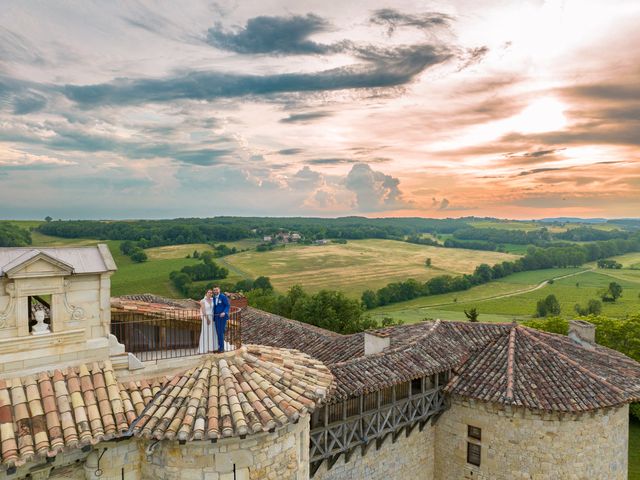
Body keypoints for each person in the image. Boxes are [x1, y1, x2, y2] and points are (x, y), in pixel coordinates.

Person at [198, 289, 218, 353]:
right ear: (206, 293)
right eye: (209, 292)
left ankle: (213, 347)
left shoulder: (213, 300)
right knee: (206, 332)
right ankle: (205, 348)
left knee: (212, 332)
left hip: (212, 317)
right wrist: (207, 319)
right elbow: (203, 311)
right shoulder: (202, 301)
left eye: (211, 293)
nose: (210, 294)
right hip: (206, 318)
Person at [212, 286, 230, 353]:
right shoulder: (213, 298)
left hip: (222, 317)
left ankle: (222, 348)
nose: (215, 291)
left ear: (219, 290)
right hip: (216, 317)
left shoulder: (223, 297)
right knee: (218, 332)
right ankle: (219, 347)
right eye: (214, 290)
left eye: (216, 290)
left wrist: (224, 312)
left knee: (221, 332)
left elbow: (227, 305)